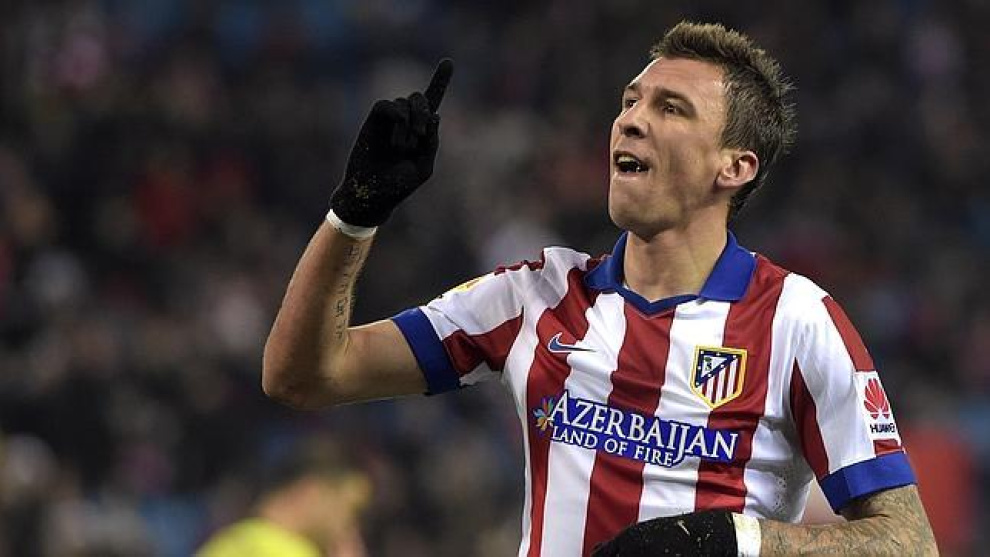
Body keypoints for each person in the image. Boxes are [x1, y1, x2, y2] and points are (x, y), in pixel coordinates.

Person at [262, 21, 937, 557]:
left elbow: (907, 541)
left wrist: (739, 540)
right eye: (630, 102)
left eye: (670, 108)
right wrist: (355, 214)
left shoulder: (797, 320)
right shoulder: (534, 296)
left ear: (735, 166)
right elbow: (302, 375)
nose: (631, 120)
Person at [196, 443, 371, 557]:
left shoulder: (228, 541)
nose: (351, 525)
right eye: (352, 509)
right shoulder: (287, 551)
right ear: (311, 492)